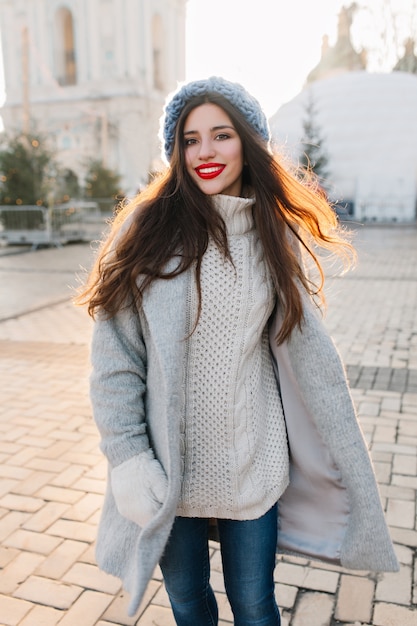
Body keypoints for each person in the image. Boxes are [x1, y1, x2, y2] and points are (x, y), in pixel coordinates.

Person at [76, 76, 398, 625]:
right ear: (175, 151)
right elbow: (115, 361)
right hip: (166, 476)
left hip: (253, 466)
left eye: (220, 135)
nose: (205, 152)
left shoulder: (273, 231)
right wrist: (128, 457)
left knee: (253, 605)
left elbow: (306, 357)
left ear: (247, 141)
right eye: (190, 139)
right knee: (188, 604)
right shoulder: (146, 230)